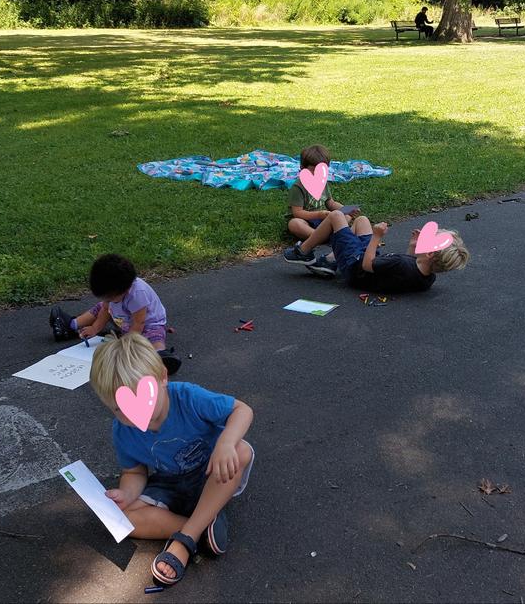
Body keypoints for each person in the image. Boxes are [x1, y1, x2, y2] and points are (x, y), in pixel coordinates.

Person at [90, 333, 255, 587]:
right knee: (120, 518)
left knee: (241, 450)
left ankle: (185, 540)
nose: (133, 416)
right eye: (118, 409)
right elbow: (134, 473)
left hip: (211, 474)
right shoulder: (122, 430)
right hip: (170, 485)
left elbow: (242, 410)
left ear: (163, 378)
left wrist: (225, 443)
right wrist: (126, 494)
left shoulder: (187, 397)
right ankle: (201, 527)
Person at [49, 253, 181, 375]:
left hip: (147, 324)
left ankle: (160, 356)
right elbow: (106, 310)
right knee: (99, 308)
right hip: (123, 320)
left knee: (154, 336)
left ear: (126, 289)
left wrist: (126, 343)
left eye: (110, 299)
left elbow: (138, 323)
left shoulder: (137, 294)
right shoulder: (113, 295)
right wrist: (95, 328)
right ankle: (72, 325)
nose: (108, 301)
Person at [283, 209, 469, 293]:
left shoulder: (400, 264)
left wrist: (377, 237)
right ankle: (331, 261)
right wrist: (413, 246)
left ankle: (304, 252)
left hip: (355, 265)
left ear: (429, 253)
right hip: (368, 263)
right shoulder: (427, 276)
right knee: (362, 221)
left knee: (337, 216)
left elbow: (367, 264)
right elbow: (409, 267)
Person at [287, 144, 358, 276]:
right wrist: (319, 214)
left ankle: (326, 235)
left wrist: (345, 209)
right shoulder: (298, 186)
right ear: (302, 168)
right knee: (294, 223)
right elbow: (297, 212)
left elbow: (330, 203)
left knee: (346, 217)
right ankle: (319, 237)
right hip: (307, 220)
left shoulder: (323, 183)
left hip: (324, 219)